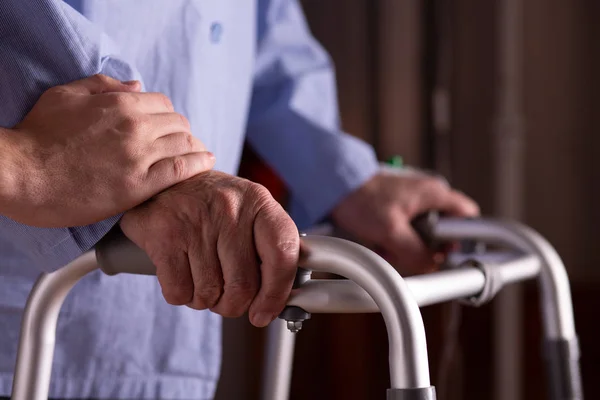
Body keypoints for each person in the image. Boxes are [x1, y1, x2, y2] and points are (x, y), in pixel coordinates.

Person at [0, 1, 479, 399]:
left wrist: (345, 178)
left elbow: (257, 28)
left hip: (167, 327)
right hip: (29, 314)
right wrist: (143, 170)